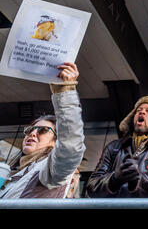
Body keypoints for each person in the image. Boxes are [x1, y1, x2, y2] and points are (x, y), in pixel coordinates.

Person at [0, 62, 85, 199]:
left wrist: (65, 91)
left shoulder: (50, 170)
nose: (33, 133)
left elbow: (70, 145)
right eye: (30, 130)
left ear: (56, 142)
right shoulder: (14, 174)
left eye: (43, 130)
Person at [86, 96, 148, 197]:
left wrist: (139, 180)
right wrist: (114, 180)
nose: (142, 112)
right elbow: (92, 187)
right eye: (138, 110)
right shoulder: (113, 147)